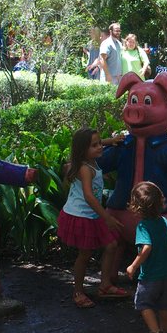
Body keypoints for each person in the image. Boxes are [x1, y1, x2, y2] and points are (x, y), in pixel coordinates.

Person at [57, 128, 128, 307]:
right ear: (83, 150)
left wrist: (109, 141)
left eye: (99, 143)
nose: (99, 147)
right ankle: (78, 291)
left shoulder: (91, 161)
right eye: (94, 145)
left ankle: (104, 285)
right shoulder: (85, 168)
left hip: (93, 214)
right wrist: (107, 218)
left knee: (111, 245)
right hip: (81, 215)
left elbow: (93, 144)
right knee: (85, 254)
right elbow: (89, 196)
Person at [124, 181, 167, 333]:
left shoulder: (143, 226)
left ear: (136, 206)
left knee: (143, 303)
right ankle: (166, 331)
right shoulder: (165, 221)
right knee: (165, 304)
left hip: (151, 275)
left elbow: (146, 247)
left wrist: (133, 266)